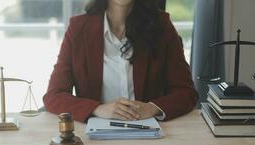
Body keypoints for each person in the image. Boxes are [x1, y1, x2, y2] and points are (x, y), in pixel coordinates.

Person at [43, 0, 198, 123]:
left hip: (151, 136)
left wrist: (152, 108)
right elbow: (54, 96)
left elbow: (186, 92)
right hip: (95, 136)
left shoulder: (161, 25)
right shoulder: (78, 28)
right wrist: (97, 109)